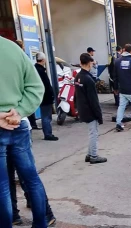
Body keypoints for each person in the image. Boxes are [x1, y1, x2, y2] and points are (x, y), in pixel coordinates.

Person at [0, 36, 48, 227]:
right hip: (17, 125)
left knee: (2, 186)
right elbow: (36, 87)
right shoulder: (12, 48)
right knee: (31, 178)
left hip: (5, 123)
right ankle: (41, 224)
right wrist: (19, 112)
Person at [74, 53, 107, 164]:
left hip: (82, 108)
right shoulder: (88, 79)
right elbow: (94, 100)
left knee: (91, 132)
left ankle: (89, 154)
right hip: (89, 110)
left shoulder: (78, 77)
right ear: (89, 63)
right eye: (92, 62)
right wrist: (99, 115)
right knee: (94, 133)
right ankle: (93, 155)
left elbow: (76, 95)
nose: (93, 64)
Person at [34, 52, 58, 141]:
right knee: (46, 116)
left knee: (46, 116)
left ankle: (48, 133)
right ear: (43, 60)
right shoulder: (41, 71)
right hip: (45, 97)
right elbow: (46, 85)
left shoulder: (35, 69)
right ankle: (48, 134)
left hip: (41, 96)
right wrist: (51, 95)